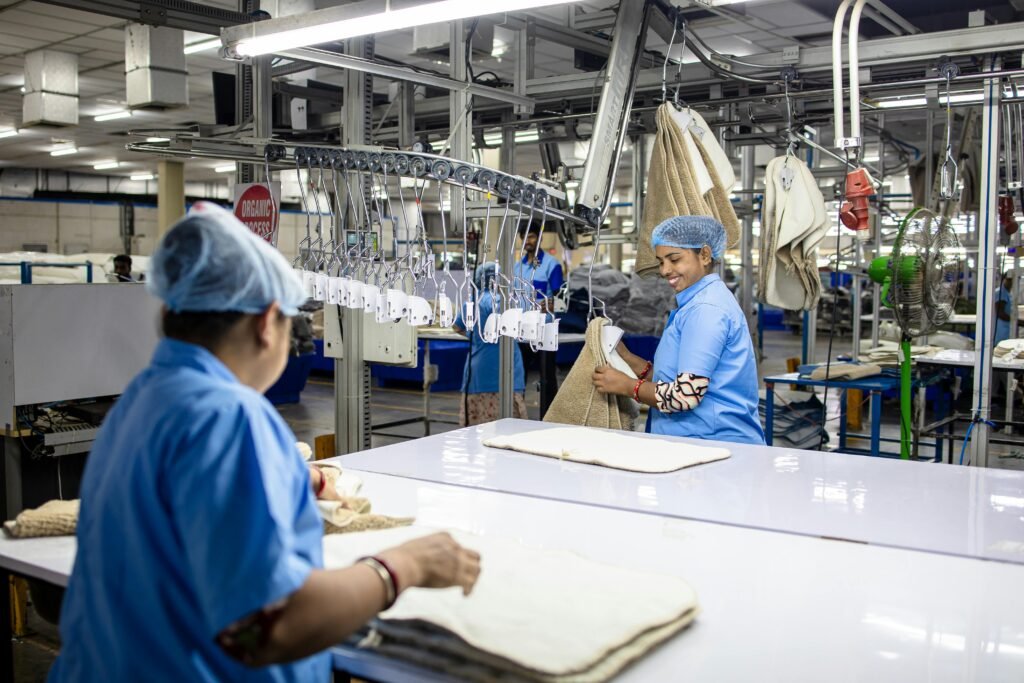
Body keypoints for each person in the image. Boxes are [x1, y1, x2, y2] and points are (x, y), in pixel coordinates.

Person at [49, 203, 480, 682]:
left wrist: (295, 476)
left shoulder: (145, 399)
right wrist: (403, 566)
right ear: (265, 322)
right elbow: (264, 627)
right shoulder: (229, 416)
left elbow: (180, 498)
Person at [591, 216, 765, 446]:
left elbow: (685, 395)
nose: (665, 270)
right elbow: (675, 377)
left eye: (674, 259)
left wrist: (626, 385)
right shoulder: (698, 303)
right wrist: (627, 357)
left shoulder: (706, 310)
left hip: (714, 444)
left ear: (704, 255)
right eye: (661, 261)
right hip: (699, 441)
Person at [454, 263, 528, 425]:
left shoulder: (471, 303)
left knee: (475, 435)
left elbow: (457, 327)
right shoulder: (507, 303)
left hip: (477, 374)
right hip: (506, 372)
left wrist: (475, 337)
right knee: (508, 432)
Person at [513, 220, 564, 306]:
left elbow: (560, 300)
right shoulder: (518, 266)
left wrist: (552, 306)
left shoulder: (551, 264)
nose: (527, 241)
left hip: (542, 318)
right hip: (520, 318)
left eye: (531, 237)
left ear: (540, 238)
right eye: (524, 238)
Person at [995, 271, 1015, 346]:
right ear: (1003, 279)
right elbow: (1000, 313)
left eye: (1012, 279)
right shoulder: (1001, 292)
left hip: (1006, 329)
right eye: (1008, 279)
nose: (1011, 282)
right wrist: (1016, 321)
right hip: (1000, 330)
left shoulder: (1007, 293)